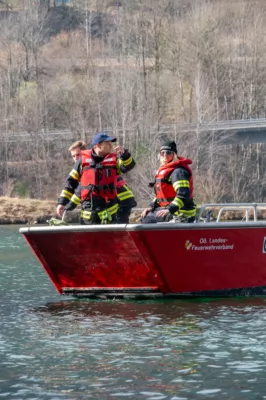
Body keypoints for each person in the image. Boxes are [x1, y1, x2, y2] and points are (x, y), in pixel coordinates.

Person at [56, 132, 136, 224]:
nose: (111, 145)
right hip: (88, 216)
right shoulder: (81, 162)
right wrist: (62, 203)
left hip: (109, 215)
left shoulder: (114, 161)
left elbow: (127, 166)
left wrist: (125, 155)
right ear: (98, 145)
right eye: (108, 143)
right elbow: (70, 184)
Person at [141, 140, 196, 223]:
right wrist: (152, 207)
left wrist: (169, 209)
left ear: (174, 154)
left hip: (182, 213)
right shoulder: (165, 170)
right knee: (145, 216)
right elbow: (161, 195)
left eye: (168, 152)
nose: (165, 155)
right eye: (162, 153)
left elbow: (183, 195)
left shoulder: (178, 172)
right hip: (170, 210)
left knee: (147, 220)